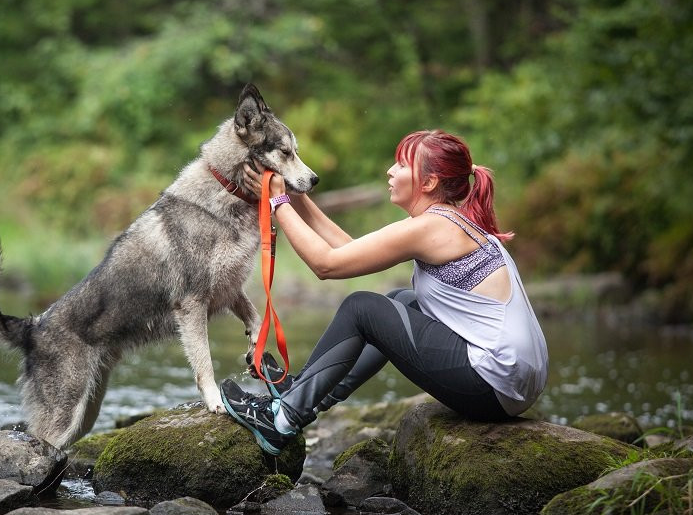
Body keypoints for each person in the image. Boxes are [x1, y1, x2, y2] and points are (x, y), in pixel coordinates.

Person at [221, 130, 548, 455]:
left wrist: (277, 201)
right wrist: (296, 195)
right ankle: (305, 394)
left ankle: (281, 421)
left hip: (493, 387)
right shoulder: (448, 220)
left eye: (401, 165)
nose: (390, 172)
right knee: (401, 301)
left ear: (429, 182)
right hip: (512, 386)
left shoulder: (434, 227)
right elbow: (350, 250)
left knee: (361, 307)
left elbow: (326, 265)